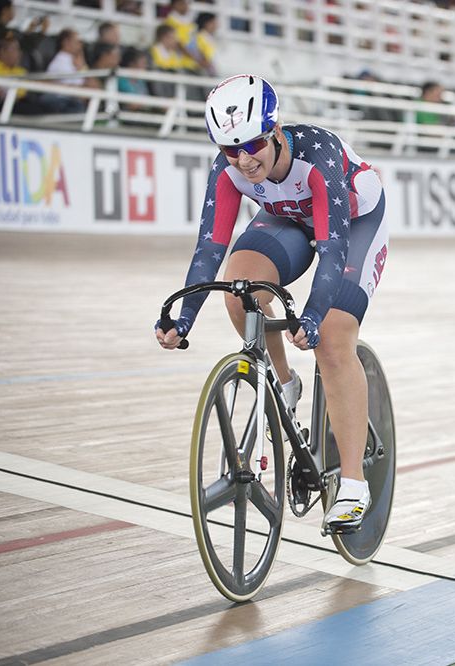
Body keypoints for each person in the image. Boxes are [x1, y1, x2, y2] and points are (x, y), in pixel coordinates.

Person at [155, 75, 388, 532]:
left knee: (333, 338)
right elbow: (209, 249)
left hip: (353, 224)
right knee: (239, 285)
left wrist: (315, 314)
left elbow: (334, 248)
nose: (244, 160)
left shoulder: (316, 156)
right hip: (290, 220)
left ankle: (355, 486)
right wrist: (184, 319)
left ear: (275, 130)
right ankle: (284, 383)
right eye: (229, 150)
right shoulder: (228, 171)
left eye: (253, 144)